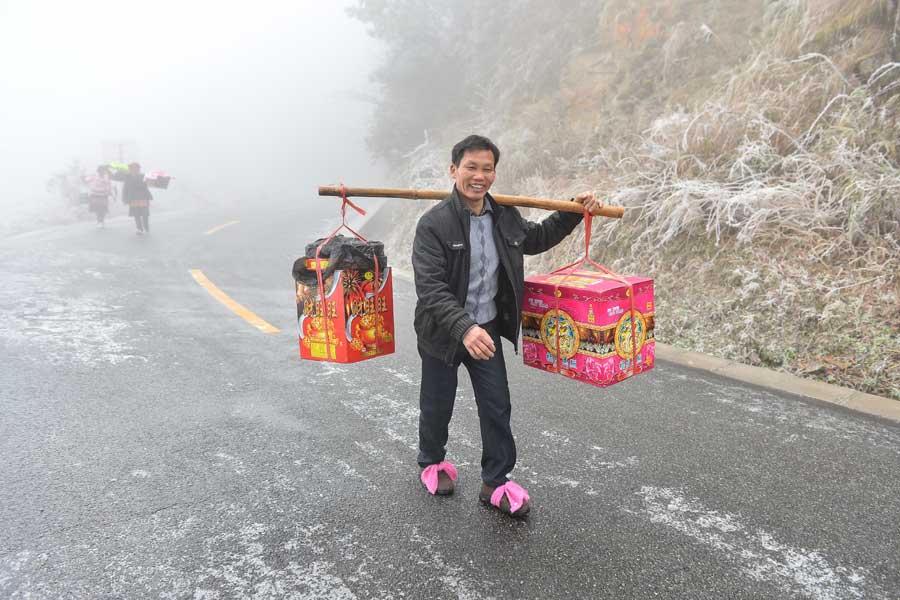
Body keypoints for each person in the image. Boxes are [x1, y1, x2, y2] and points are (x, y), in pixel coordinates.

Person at [412, 135, 602, 517]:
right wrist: (464, 327)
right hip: (443, 333)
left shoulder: (504, 217)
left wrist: (573, 211)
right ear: (454, 171)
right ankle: (432, 462)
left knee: (497, 405)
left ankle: (495, 482)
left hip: (487, 329)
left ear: (494, 173)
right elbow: (430, 288)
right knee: (438, 404)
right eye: (471, 167)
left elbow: (538, 237)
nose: (479, 176)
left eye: (487, 168)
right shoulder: (433, 225)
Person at [113, 162, 153, 235]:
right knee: (136, 214)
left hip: (143, 197)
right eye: (132, 168)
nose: (135, 170)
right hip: (133, 198)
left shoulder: (143, 176)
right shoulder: (127, 177)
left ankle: (146, 227)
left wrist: (146, 182)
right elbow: (125, 188)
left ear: (138, 169)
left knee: (145, 214)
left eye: (136, 168)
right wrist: (124, 198)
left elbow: (147, 185)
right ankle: (139, 228)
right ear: (130, 169)